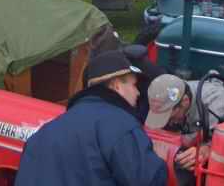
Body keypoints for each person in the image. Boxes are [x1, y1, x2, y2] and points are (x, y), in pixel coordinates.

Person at [15, 51, 167, 186]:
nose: (138, 93)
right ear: (116, 86)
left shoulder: (42, 135)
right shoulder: (121, 126)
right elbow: (146, 181)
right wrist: (158, 162)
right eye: (134, 85)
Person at [145, 74, 224, 183]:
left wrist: (208, 149)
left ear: (185, 102)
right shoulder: (170, 93)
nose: (168, 123)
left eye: (170, 117)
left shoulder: (223, 104)